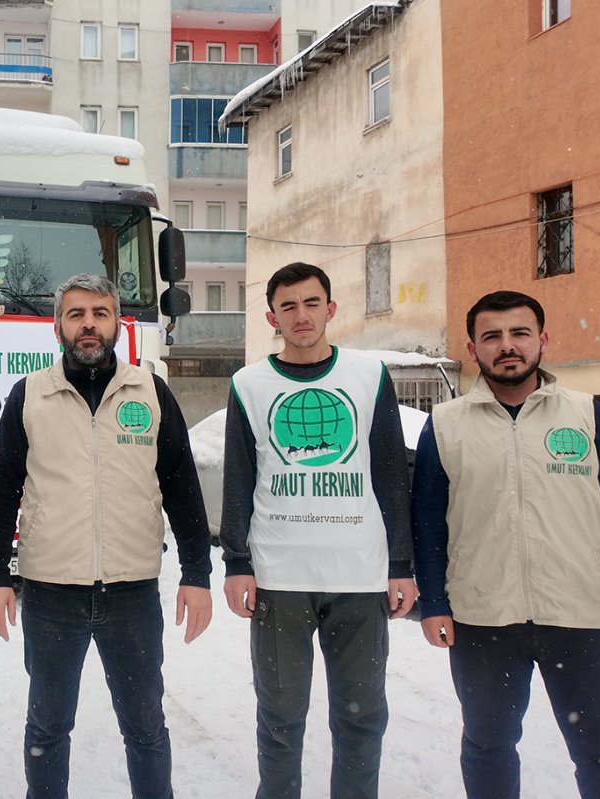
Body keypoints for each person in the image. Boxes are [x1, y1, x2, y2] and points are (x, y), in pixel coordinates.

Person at [411, 290, 600, 799]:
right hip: (484, 619)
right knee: (487, 747)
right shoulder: (447, 426)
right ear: (473, 347)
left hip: (581, 615)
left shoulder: (586, 414)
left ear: (542, 340)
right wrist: (434, 601)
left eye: (519, 333)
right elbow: (430, 524)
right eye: (492, 336)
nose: (507, 346)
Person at [0, 272, 212, 799]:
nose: (89, 325)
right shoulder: (29, 396)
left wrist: (197, 573)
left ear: (117, 323)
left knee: (146, 729)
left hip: (131, 594)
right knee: (47, 728)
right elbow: (0, 492)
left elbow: (182, 488)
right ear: (57, 326)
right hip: (50, 594)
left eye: (100, 313)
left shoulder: (150, 391)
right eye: (77, 314)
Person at [220, 262, 416, 799]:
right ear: (271, 317)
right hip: (279, 579)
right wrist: (237, 562)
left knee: (361, 717)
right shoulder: (248, 385)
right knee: (280, 719)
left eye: (311, 303)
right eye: (288, 306)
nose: (301, 315)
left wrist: (401, 565)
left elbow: (389, 475)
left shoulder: (369, 376)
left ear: (330, 309)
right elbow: (239, 479)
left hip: (360, 574)